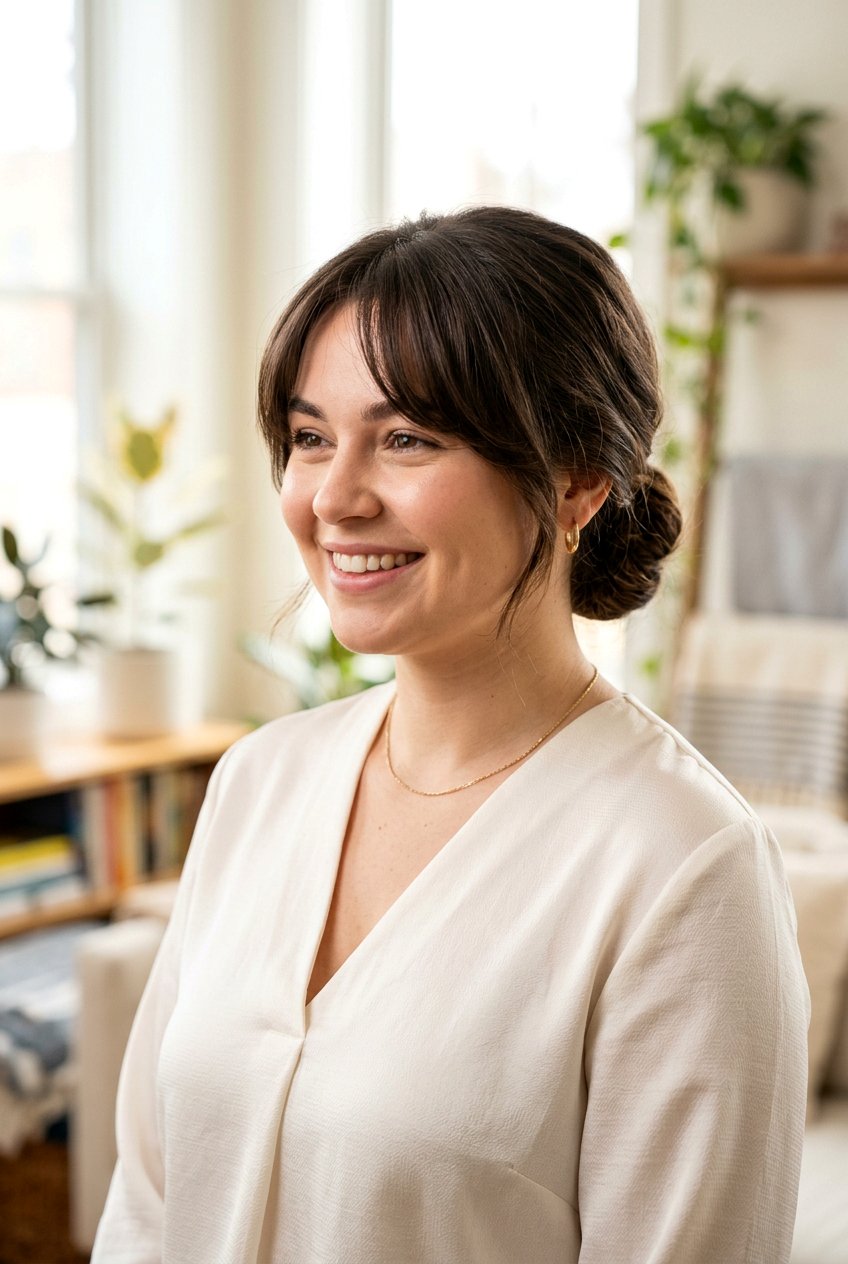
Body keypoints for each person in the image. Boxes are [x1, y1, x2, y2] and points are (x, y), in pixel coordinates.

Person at [92, 207, 809, 1263]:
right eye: (308, 438)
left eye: (406, 439)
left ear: (574, 479)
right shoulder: (259, 781)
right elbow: (147, 1210)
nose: (333, 496)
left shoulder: (681, 863)